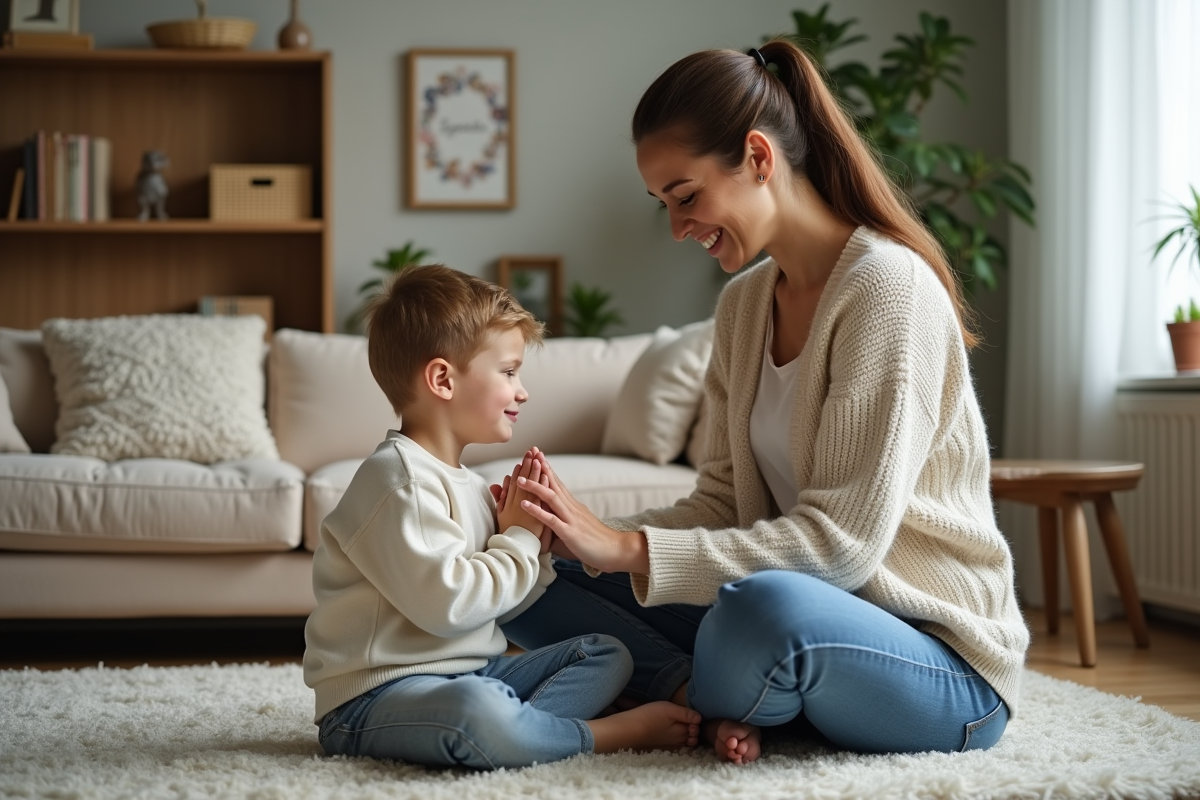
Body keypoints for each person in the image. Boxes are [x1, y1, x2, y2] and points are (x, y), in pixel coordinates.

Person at [500, 39, 1030, 765]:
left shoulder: (888, 288)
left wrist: (627, 550)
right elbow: (722, 503)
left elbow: (842, 548)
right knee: (524, 571)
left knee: (760, 609)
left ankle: (702, 687)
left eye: (686, 196)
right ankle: (702, 694)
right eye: (664, 205)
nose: (678, 227)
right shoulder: (744, 305)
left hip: (939, 662)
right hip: (800, 621)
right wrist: (578, 534)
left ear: (757, 156)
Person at [302, 265, 700, 770]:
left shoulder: (468, 484)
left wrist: (542, 540)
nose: (522, 390)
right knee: (477, 709)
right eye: (509, 372)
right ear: (442, 379)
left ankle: (524, 735)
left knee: (606, 654)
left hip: (475, 676)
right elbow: (450, 607)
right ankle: (596, 735)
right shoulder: (399, 480)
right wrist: (517, 539)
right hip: (375, 698)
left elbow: (513, 597)